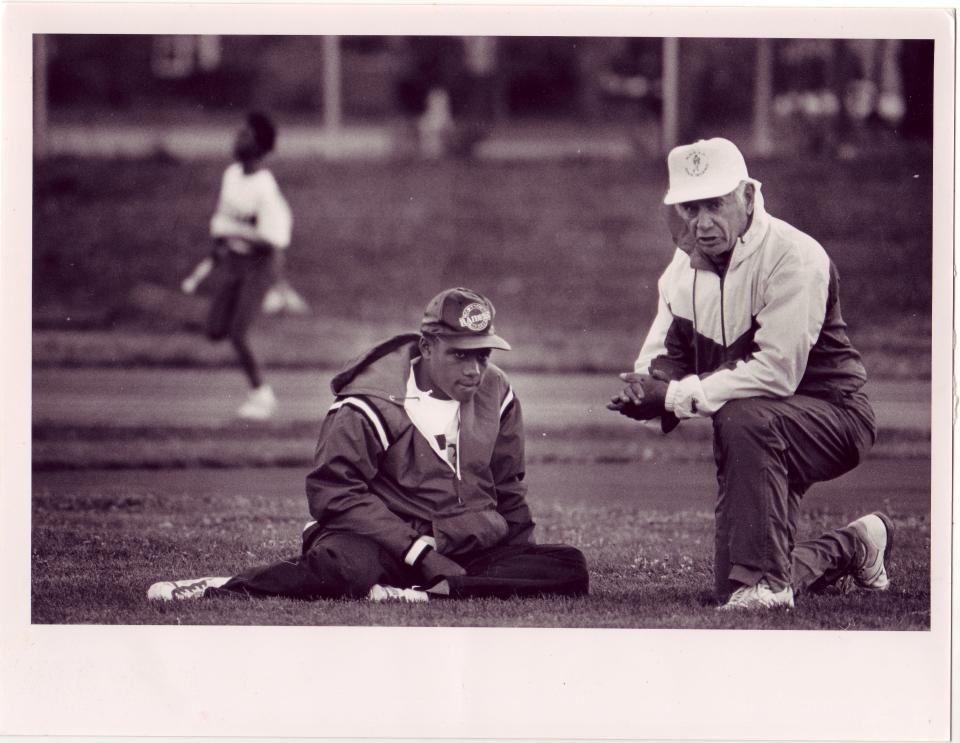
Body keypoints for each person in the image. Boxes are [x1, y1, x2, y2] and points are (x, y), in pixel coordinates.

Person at [148, 287, 589, 603]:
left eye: (483, 354)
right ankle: (220, 586)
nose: (475, 369)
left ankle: (428, 594)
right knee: (346, 566)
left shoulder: (499, 392)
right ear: (427, 346)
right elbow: (332, 492)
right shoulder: (368, 403)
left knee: (568, 566)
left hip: (464, 543)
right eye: (460, 354)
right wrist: (420, 553)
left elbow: (507, 486)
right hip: (389, 544)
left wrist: (518, 556)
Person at [608, 137, 892, 611]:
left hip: (835, 416)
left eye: (714, 204)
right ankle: (856, 544)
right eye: (690, 207)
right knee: (732, 586)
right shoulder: (682, 269)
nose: (701, 222)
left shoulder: (794, 255)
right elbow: (662, 358)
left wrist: (674, 397)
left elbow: (777, 372)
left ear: (747, 195)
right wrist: (643, 391)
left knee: (743, 418)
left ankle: (771, 588)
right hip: (758, 430)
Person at [181, 111, 293, 420]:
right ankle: (258, 388)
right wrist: (220, 244)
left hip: (259, 266)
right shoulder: (231, 175)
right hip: (233, 261)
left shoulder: (265, 190)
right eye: (238, 133)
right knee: (215, 330)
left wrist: (275, 285)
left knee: (238, 334)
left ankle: (262, 395)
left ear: (260, 146)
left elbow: (273, 243)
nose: (237, 139)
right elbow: (222, 218)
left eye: (245, 135)